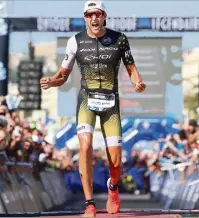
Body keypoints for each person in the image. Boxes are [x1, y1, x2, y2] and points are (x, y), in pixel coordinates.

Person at [40, 1, 146, 217]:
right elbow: (62, 75)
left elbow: (131, 68)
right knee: (85, 146)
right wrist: (51, 81)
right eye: (89, 15)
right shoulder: (75, 41)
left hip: (110, 102)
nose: (94, 18)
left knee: (115, 159)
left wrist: (137, 82)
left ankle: (113, 188)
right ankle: (89, 203)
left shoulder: (119, 39)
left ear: (104, 16)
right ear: (85, 18)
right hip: (87, 99)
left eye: (97, 14)